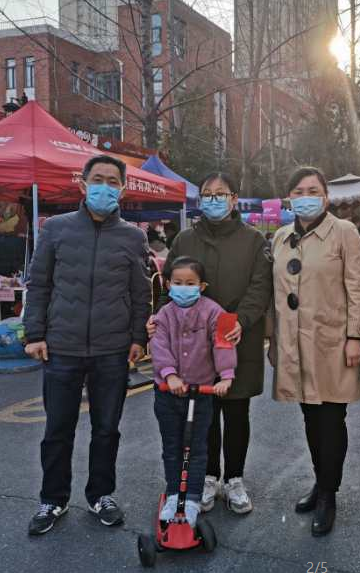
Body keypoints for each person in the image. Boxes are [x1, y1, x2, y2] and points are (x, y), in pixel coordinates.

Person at [24, 155, 150, 535]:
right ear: (82, 183)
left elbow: (140, 292)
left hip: (113, 349)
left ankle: (101, 495)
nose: (104, 187)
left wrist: (138, 338)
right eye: (98, 179)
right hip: (62, 346)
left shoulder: (133, 237)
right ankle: (53, 499)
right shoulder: (55, 229)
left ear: (123, 189)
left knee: (107, 429)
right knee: (57, 429)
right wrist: (35, 334)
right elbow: (39, 284)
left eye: (113, 181)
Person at [148, 172, 272, 516]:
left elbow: (260, 286)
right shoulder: (185, 239)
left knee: (236, 410)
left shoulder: (253, 240)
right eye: (207, 194)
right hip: (191, 343)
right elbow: (169, 284)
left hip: (236, 335)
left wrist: (241, 321)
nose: (214, 199)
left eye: (221, 193)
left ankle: (234, 478)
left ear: (234, 199)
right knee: (203, 412)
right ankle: (209, 477)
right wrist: (159, 317)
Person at [270, 166, 360, 536]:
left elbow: (359, 286)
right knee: (311, 418)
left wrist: (355, 336)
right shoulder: (281, 237)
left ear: (326, 197)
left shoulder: (344, 232)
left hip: (332, 342)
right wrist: (273, 342)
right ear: (289, 198)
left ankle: (329, 493)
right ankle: (320, 481)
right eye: (298, 191)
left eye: (313, 190)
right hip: (294, 343)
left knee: (330, 419)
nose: (305, 197)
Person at [150, 257, 236, 525]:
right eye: (178, 283)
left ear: (202, 286)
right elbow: (159, 346)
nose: (183, 288)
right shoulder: (163, 314)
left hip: (200, 394)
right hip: (167, 392)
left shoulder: (214, 311)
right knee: (172, 447)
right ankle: (174, 494)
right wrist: (170, 375)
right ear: (168, 284)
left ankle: (193, 499)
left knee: (197, 450)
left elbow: (223, 342)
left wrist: (226, 376)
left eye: (190, 283)